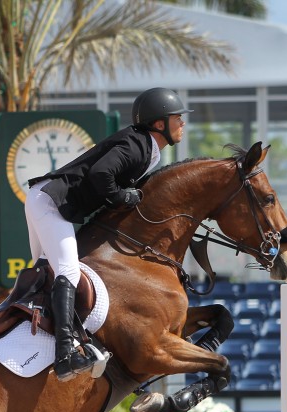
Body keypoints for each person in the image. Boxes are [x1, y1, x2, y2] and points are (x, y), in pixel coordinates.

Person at [24, 87, 191, 381]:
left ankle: (33, 339)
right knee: (67, 270)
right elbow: (101, 174)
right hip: (51, 202)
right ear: (159, 124)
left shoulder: (146, 148)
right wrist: (122, 198)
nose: (183, 123)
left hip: (44, 198)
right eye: (177, 118)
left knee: (43, 272)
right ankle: (65, 355)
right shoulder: (138, 144)